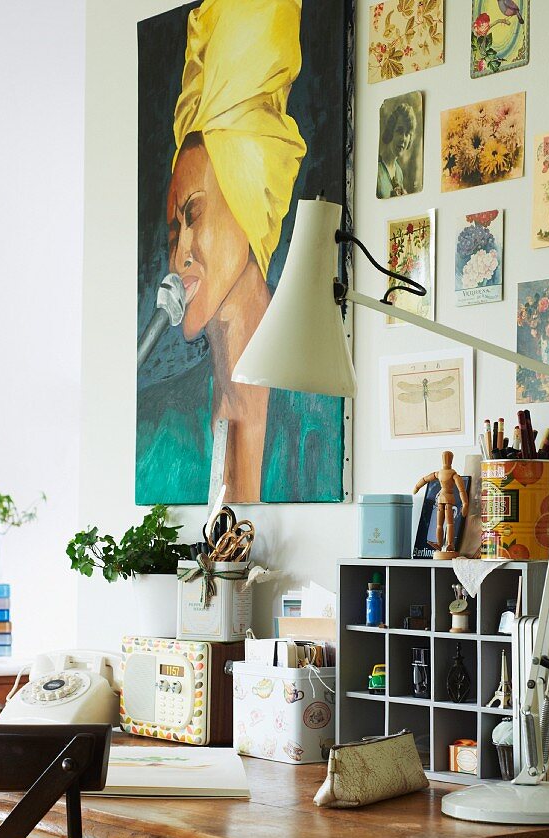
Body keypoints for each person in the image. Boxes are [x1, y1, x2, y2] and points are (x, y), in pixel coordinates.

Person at [163, 0, 306, 503]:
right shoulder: (167, 424)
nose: (179, 254)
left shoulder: (314, 404)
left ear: (247, 202)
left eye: (194, 215)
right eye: (172, 231)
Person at [413, 451, 469, 559]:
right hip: (443, 499)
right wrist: (417, 487)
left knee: (448, 523)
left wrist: (465, 503)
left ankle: (449, 544)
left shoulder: (448, 474)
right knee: (442, 524)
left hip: (446, 499)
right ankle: (440, 544)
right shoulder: (447, 474)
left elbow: (462, 490)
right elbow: (425, 479)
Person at [377, 99, 417, 199]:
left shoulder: (399, 172)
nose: (403, 138)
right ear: (390, 132)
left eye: (407, 133)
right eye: (399, 131)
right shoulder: (376, 168)